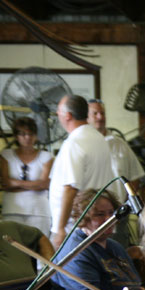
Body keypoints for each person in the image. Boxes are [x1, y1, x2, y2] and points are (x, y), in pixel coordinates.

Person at [50, 189, 141, 290]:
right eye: (99, 214)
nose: (109, 219)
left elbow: (136, 286)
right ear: (83, 218)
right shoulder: (75, 251)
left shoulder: (115, 247)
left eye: (111, 213)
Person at [49, 95, 114, 248]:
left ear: (68, 115)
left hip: (74, 226)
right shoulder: (98, 138)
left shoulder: (74, 143)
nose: (57, 115)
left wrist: (60, 229)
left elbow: (70, 188)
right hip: (92, 222)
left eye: (58, 111)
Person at [87, 98, 145, 247]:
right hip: (91, 216)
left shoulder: (119, 144)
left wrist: (123, 204)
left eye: (102, 113)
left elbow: (135, 176)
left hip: (118, 215)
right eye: (95, 113)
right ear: (87, 117)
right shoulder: (82, 144)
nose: (100, 117)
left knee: (119, 255)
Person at [0, 117, 54, 236]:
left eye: (31, 134)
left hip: (39, 211)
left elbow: (45, 184)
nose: (27, 137)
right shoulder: (6, 155)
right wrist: (35, 184)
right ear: (16, 136)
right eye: (23, 134)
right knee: (13, 250)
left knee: (39, 249)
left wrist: (15, 183)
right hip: (12, 210)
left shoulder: (46, 156)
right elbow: (5, 184)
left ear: (36, 135)